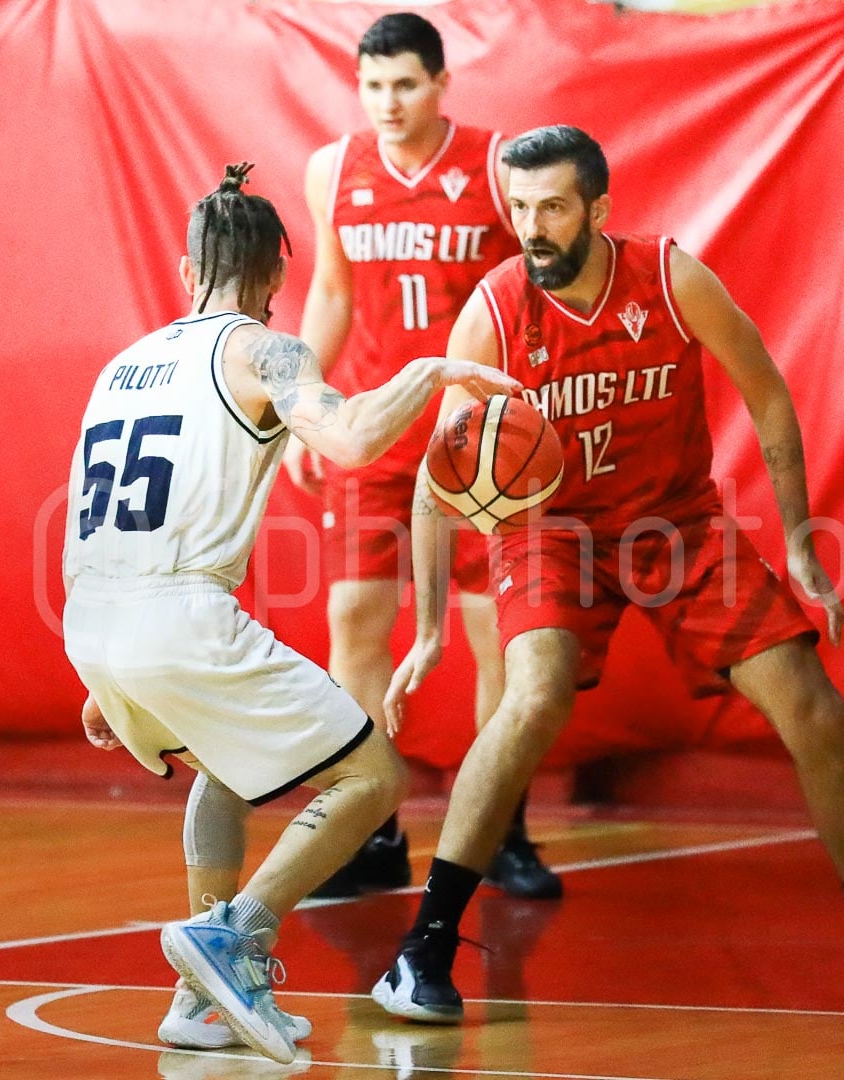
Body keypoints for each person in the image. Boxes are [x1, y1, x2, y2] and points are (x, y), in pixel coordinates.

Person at [371, 126, 844, 1023]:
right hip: (552, 530)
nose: (530, 226)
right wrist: (427, 631)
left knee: (811, 702)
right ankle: (421, 951)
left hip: (674, 524)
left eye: (551, 207)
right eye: (519, 206)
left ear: (599, 210)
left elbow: (767, 388)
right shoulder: (495, 312)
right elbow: (436, 477)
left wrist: (804, 544)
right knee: (533, 697)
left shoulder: (668, 277)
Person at [62, 162, 520, 1063]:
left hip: (94, 617)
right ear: (278, 274)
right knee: (372, 781)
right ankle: (237, 935)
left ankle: (198, 1000)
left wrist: (103, 671)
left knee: (225, 766)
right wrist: (428, 370)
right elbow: (349, 441)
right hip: (178, 615)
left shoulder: (122, 365)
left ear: (186, 269)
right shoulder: (263, 351)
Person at [281, 12, 561, 901]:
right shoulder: (334, 168)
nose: (388, 102)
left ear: (441, 83)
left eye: (405, 84)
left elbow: (536, 288)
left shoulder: (493, 162)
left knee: (490, 632)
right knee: (356, 623)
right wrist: (302, 405)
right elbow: (331, 292)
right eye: (372, 86)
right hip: (373, 421)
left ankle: (499, 826)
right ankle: (370, 829)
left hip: (473, 435)